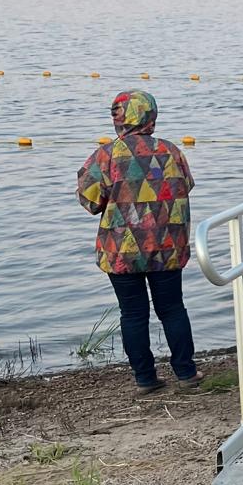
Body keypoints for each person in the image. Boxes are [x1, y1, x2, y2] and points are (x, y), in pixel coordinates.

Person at [76, 90, 199, 395]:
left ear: (123, 117)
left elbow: (90, 201)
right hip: (167, 245)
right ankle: (186, 374)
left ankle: (145, 378)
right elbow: (187, 186)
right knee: (172, 308)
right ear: (150, 116)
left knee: (133, 313)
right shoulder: (172, 152)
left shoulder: (106, 156)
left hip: (122, 251)